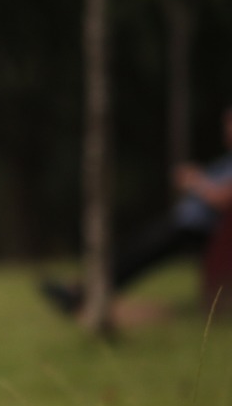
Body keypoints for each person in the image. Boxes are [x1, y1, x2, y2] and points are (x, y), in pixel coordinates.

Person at [41, 106, 232, 315]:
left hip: (200, 230)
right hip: (185, 223)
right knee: (133, 247)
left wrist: (194, 180)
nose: (226, 129)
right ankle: (83, 287)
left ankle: (84, 291)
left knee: (141, 251)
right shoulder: (226, 160)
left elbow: (223, 200)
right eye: (226, 124)